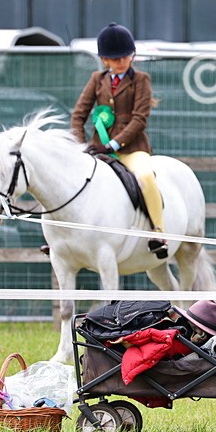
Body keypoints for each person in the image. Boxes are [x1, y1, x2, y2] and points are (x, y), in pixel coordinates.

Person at [70, 22, 166, 257]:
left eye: (125, 56)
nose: (122, 61)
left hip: (132, 148)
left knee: (145, 177)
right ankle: (61, 239)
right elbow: (78, 115)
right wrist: (80, 146)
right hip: (98, 149)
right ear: (105, 60)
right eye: (116, 58)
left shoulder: (141, 80)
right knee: (71, 182)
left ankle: (158, 231)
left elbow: (139, 119)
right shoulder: (97, 79)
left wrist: (114, 144)